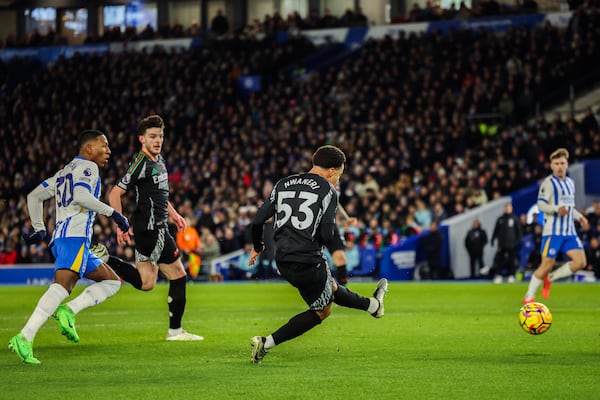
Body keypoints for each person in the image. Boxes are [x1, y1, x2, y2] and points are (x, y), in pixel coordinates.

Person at [248, 145, 388, 364]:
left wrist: (257, 247)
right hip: (308, 259)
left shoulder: (282, 184)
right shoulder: (327, 189)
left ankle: (374, 306)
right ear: (331, 170)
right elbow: (326, 233)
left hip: (282, 258)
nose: (338, 181)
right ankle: (265, 344)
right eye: (339, 176)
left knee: (330, 287)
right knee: (322, 311)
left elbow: (257, 221)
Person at [9, 130, 129, 364]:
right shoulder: (89, 168)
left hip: (62, 239)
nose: (109, 151)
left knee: (112, 281)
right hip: (74, 238)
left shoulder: (64, 172)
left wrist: (39, 227)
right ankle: (24, 336)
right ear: (88, 149)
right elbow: (81, 196)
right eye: (104, 145)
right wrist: (114, 213)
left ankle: (69, 311)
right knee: (61, 288)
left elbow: (34, 196)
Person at [101, 114, 203, 341]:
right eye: (152, 136)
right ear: (141, 139)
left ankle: (107, 259)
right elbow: (115, 193)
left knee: (146, 282)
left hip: (153, 228)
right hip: (153, 229)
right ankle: (175, 331)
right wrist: (120, 224)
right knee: (178, 275)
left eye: (160, 136)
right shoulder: (140, 162)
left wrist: (175, 215)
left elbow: (159, 194)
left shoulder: (159, 160)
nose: (158, 140)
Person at [523, 148, 589, 303]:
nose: (559, 166)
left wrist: (580, 217)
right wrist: (556, 209)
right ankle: (529, 297)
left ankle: (551, 278)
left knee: (581, 262)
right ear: (551, 166)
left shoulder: (570, 183)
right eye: (556, 163)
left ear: (567, 165)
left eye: (562, 163)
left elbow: (569, 207)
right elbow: (540, 205)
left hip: (569, 232)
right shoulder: (548, 183)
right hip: (553, 232)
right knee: (546, 265)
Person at [491, 202, 522, 283]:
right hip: (502, 243)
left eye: (509, 207)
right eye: (506, 207)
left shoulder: (514, 218)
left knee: (511, 260)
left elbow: (518, 230)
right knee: (500, 260)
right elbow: (496, 230)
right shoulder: (500, 219)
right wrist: (493, 239)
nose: (507, 209)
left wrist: (519, 240)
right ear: (504, 208)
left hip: (511, 244)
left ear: (511, 208)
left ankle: (511, 275)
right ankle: (499, 275)